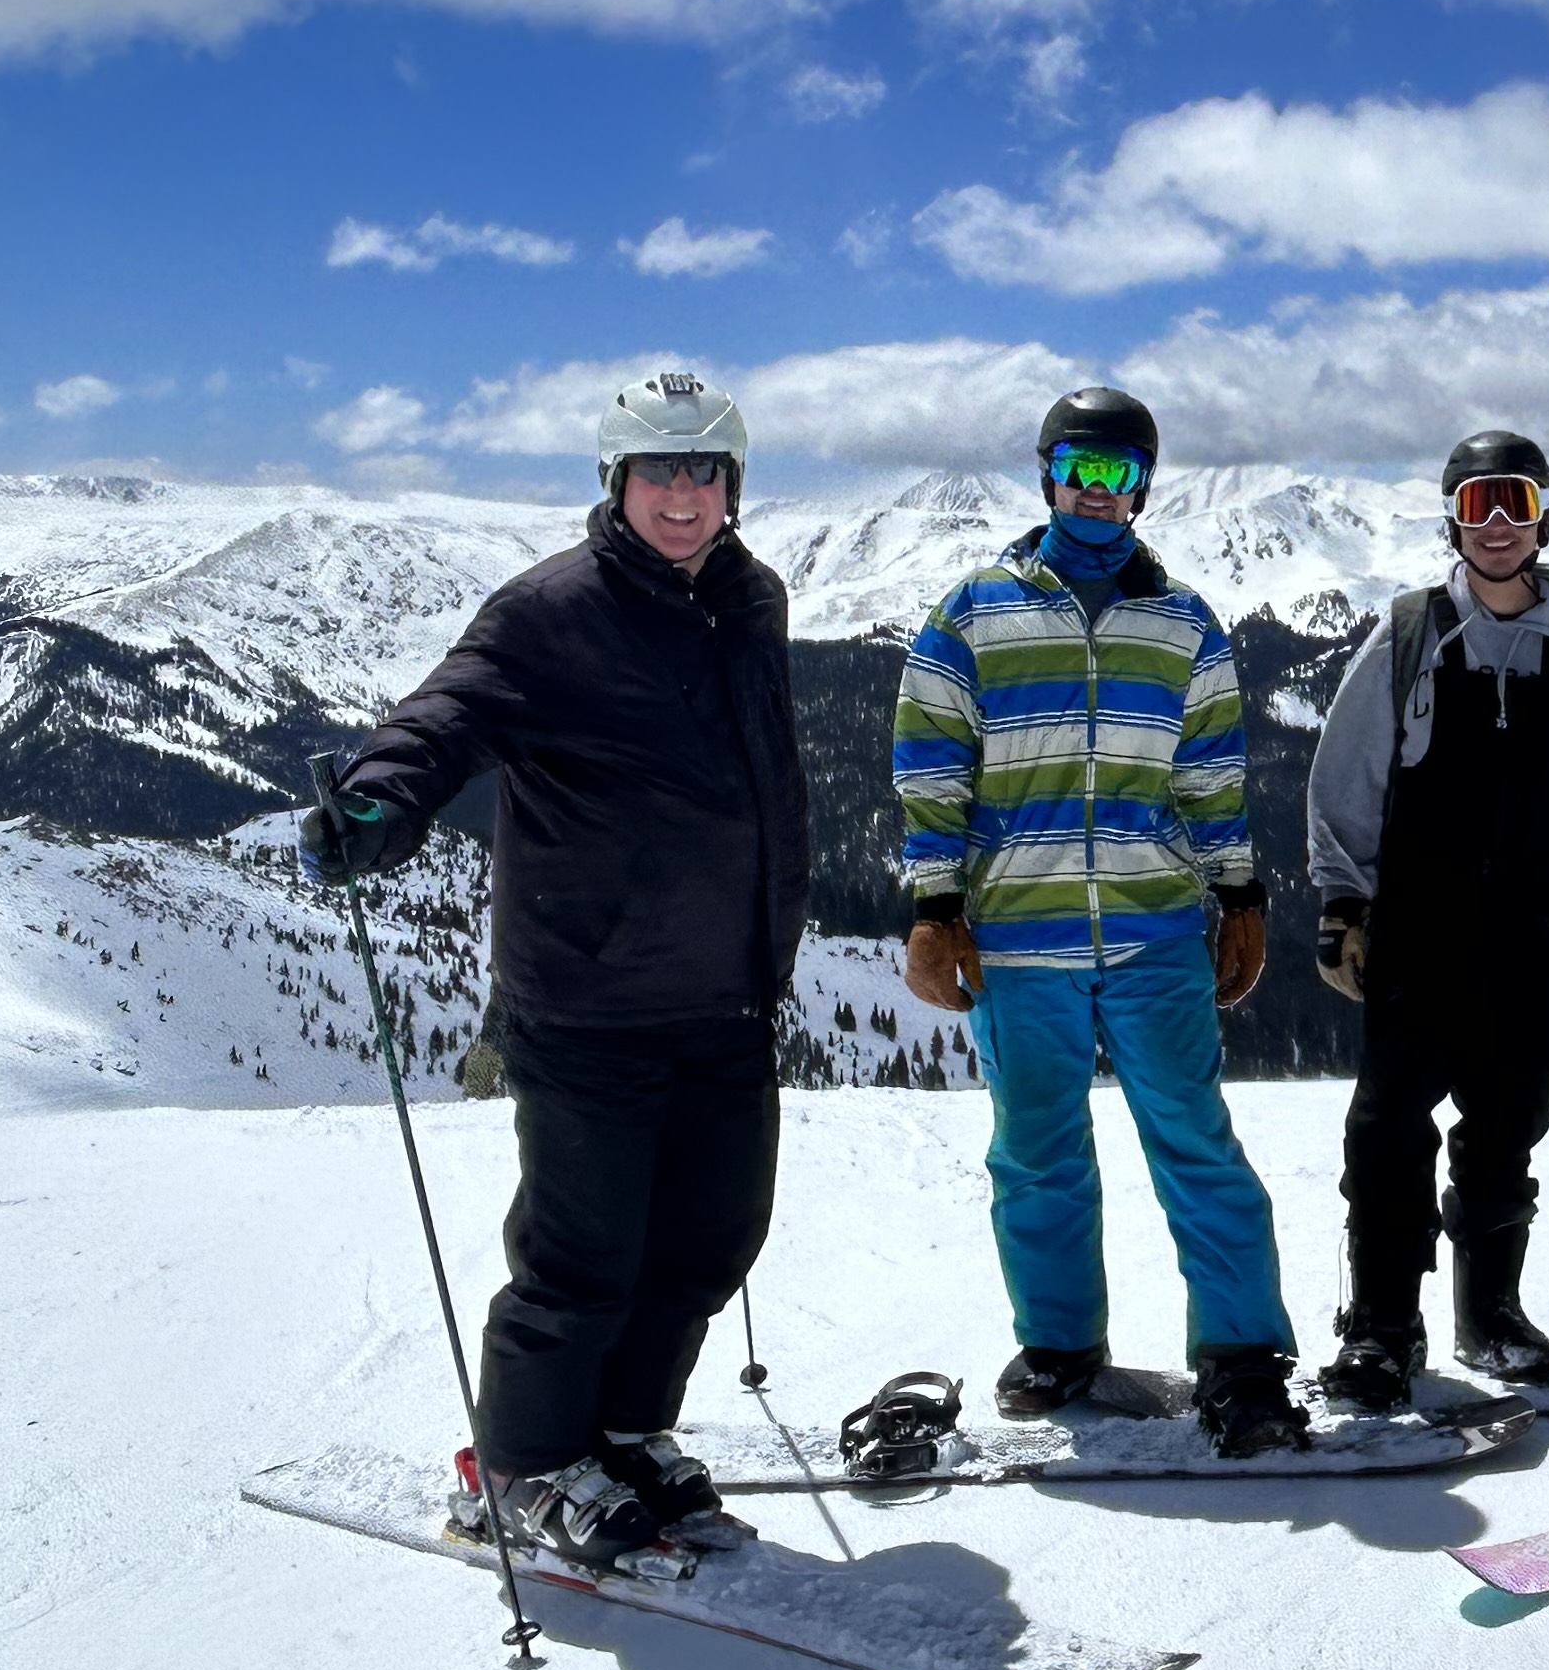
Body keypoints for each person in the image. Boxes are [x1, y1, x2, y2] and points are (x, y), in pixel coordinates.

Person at [301, 370, 807, 1567]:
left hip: (729, 988)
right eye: (659, 472)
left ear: (732, 485)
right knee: (583, 1256)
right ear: (615, 482)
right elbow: (447, 718)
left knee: (712, 1238)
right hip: (589, 996)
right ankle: (523, 1465)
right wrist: (378, 806)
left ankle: (628, 1434)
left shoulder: (754, 600)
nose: (683, 496)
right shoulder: (547, 612)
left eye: (704, 471)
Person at [888, 387, 1305, 1454]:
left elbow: (1212, 775)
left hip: (1154, 926)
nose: (1096, 490)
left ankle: (1243, 1357)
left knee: (1193, 1139)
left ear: (1144, 489)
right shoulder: (973, 613)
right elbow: (932, 768)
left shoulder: (1184, 625)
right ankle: (1063, 1344)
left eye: (1119, 473)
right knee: (1035, 1152)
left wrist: (1241, 891)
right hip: (1019, 935)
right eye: (1079, 466)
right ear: (1046, 474)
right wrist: (935, 905)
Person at [1302, 429, 1549, 1406]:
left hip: (1530, 928)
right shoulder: (1412, 632)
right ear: (1450, 520)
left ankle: (1489, 1314)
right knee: (1387, 1125)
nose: (1496, 524)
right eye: (1476, 505)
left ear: (1545, 517)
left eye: (1514, 502)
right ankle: (1383, 1322)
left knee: (1507, 1125)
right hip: (1419, 926)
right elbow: (1348, 774)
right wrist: (1344, 903)